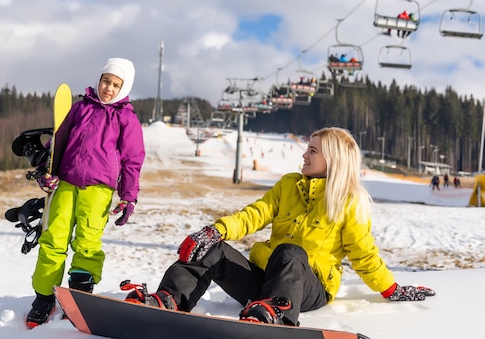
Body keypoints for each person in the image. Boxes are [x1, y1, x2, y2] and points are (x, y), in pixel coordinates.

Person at [123, 127, 435, 326]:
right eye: (307, 148)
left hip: (309, 288)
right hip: (264, 282)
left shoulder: (349, 200)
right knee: (211, 252)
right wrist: (216, 230)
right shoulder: (288, 185)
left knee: (290, 251)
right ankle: (168, 300)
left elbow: (363, 254)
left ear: (334, 159)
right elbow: (254, 214)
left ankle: (276, 315)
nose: (304, 154)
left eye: (313, 150)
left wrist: (391, 289)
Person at [26, 57, 146, 328]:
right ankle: (44, 296)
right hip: (67, 182)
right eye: (106, 80)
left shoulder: (126, 118)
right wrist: (46, 173)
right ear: (99, 79)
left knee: (87, 243)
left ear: (125, 88)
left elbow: (133, 160)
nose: (109, 88)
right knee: (53, 238)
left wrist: (128, 195)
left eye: (117, 84)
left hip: (99, 188)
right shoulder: (79, 108)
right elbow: (59, 143)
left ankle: (79, 296)